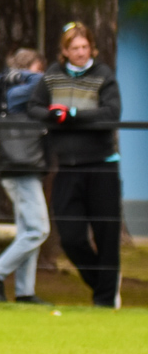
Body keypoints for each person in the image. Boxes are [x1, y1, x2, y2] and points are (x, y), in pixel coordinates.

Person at [28, 22, 121, 308]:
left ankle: (105, 301)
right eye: (75, 48)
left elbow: (111, 113)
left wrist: (73, 115)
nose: (80, 53)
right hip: (67, 167)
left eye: (84, 47)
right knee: (70, 237)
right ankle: (103, 284)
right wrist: (53, 115)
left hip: (102, 166)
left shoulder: (104, 76)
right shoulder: (52, 77)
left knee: (106, 234)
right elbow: (34, 107)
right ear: (65, 51)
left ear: (91, 47)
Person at [0, 48, 50, 303]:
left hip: (23, 165)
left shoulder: (6, 83)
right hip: (20, 166)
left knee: (28, 229)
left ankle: (25, 291)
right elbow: (43, 82)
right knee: (38, 229)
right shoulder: (18, 89)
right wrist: (26, 75)